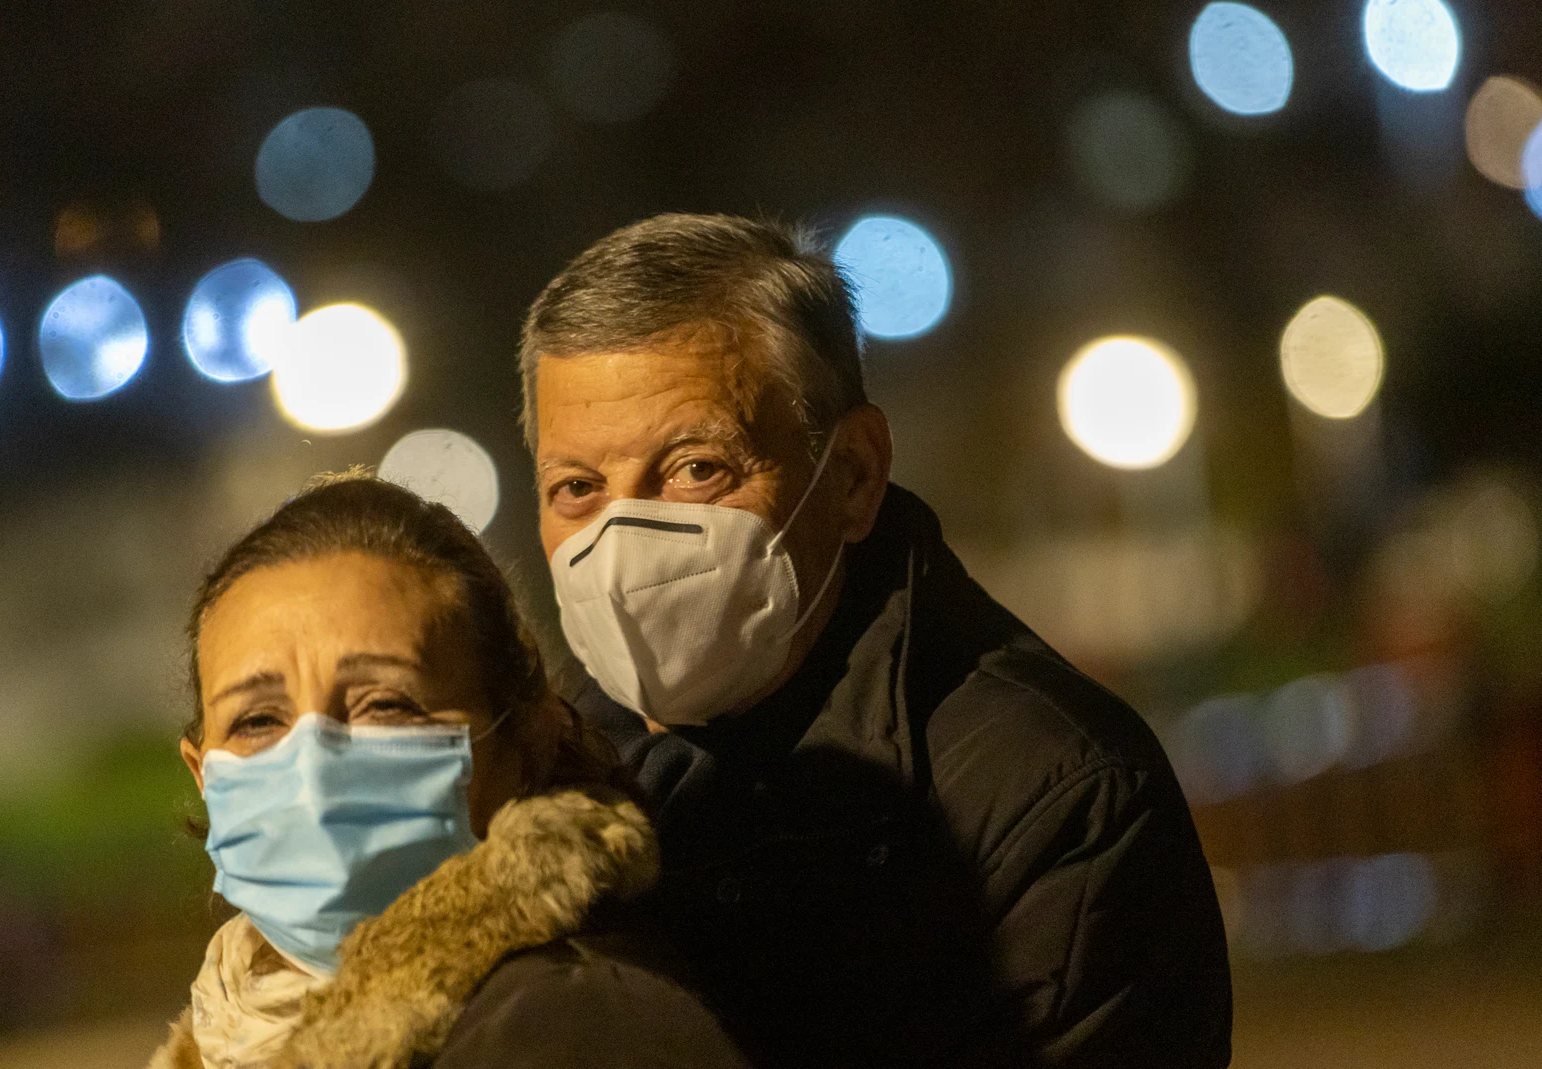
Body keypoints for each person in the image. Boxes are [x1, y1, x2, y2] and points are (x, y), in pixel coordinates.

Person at [520, 214, 1233, 1068]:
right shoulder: (541, 771)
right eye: (576, 487)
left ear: (853, 473)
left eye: (697, 468)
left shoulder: (1053, 795)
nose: (624, 534)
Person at [148, 472, 751, 1069]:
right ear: (203, 776)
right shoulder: (220, 1037)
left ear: (526, 744)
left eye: (386, 704)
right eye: (257, 721)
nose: (311, 766)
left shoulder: (578, 1027)